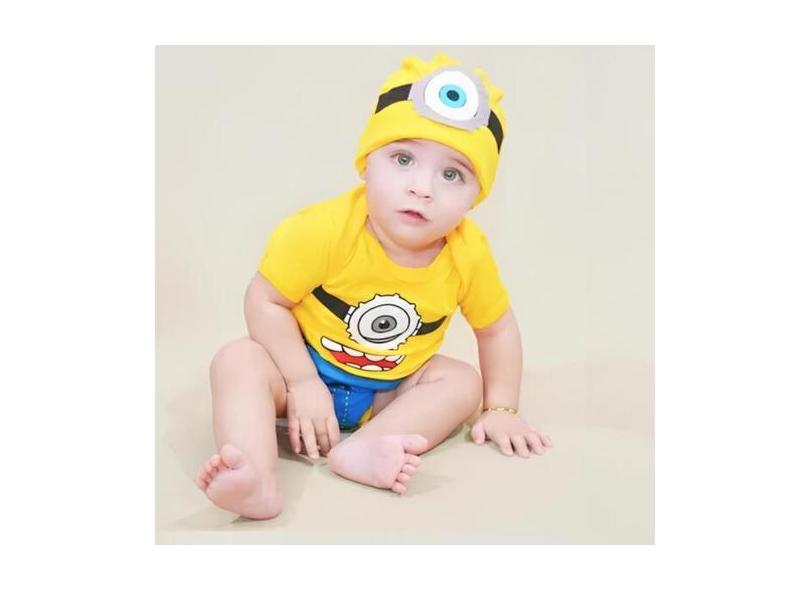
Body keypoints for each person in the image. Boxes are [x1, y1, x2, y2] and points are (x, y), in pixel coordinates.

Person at [195, 53, 553, 520]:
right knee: (237, 360)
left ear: (476, 195)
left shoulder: (469, 252)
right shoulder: (322, 230)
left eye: (452, 174)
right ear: (367, 163)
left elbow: (497, 328)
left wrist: (502, 408)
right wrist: (302, 382)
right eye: (403, 159)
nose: (422, 187)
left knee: (463, 383)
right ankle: (254, 476)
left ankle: (366, 447)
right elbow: (265, 300)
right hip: (296, 373)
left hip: (391, 392)